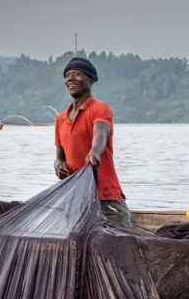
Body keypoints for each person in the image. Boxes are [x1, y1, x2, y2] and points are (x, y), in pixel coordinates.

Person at [53, 56, 131, 228]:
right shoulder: (61, 119)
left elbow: (100, 133)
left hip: (106, 198)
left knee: (120, 246)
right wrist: (59, 166)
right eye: (67, 75)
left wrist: (94, 152)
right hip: (75, 201)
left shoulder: (100, 109)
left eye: (77, 74)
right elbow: (60, 157)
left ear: (91, 80)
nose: (71, 78)